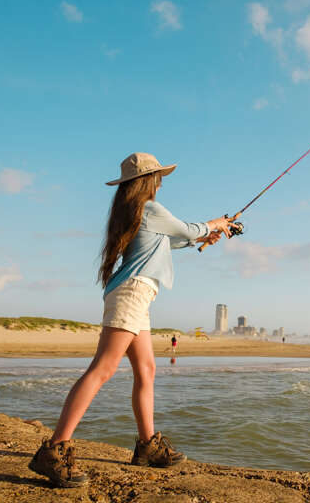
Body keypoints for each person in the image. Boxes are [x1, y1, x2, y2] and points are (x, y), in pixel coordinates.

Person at [28, 153, 238, 488]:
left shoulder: (137, 213)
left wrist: (204, 236)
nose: (161, 182)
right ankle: (53, 451)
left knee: (146, 370)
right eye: (158, 177)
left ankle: (147, 447)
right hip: (132, 294)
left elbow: (174, 239)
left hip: (138, 295)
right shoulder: (151, 210)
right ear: (147, 181)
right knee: (103, 369)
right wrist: (216, 224)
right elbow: (186, 229)